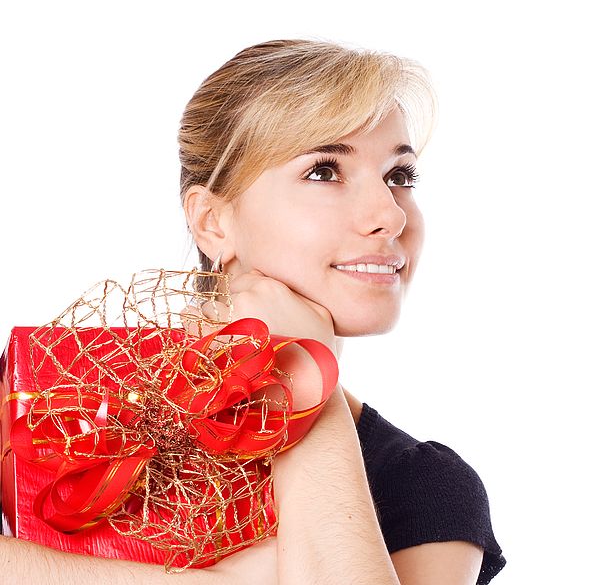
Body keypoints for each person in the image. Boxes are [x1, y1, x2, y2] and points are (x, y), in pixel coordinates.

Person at [0, 39, 506, 584]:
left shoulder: (427, 485)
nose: (391, 215)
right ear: (213, 221)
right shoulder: (44, 397)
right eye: (324, 170)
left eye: (400, 176)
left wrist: (302, 387)